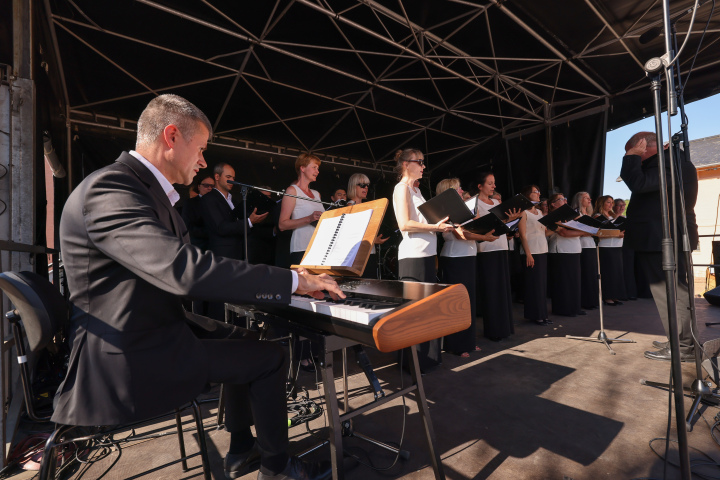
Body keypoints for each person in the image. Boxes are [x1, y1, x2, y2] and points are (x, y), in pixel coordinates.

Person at [53, 94, 340, 480]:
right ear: (172, 136)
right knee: (271, 359)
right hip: (129, 356)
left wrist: (281, 286)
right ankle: (279, 468)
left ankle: (241, 450)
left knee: (251, 340)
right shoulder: (111, 189)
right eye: (201, 149)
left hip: (152, 331)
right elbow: (182, 270)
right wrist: (296, 281)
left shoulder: (136, 189)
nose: (203, 161)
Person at [620, 132, 698, 362]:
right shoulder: (672, 160)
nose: (637, 159)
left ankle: (683, 347)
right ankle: (681, 341)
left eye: (635, 152)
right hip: (662, 235)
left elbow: (639, 183)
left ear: (643, 146)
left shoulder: (668, 161)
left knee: (671, 294)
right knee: (672, 292)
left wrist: (630, 158)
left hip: (661, 236)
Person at [392, 148, 453, 371]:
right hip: (413, 255)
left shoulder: (417, 191)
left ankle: (425, 360)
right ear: (406, 164)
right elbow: (404, 224)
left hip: (426, 254)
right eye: (420, 162)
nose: (424, 166)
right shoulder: (401, 189)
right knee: (414, 311)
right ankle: (412, 363)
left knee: (425, 309)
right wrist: (435, 227)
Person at [435, 178, 498, 356]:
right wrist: (485, 238)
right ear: (449, 191)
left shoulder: (464, 208)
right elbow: (462, 234)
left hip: (468, 257)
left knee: (468, 302)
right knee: (457, 303)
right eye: (458, 188)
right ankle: (456, 345)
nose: (462, 191)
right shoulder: (447, 209)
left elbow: (473, 228)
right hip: (455, 259)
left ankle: (467, 342)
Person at [474, 172, 522, 341]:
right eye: (490, 183)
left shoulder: (496, 202)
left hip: (501, 247)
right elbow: (477, 228)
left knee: (503, 289)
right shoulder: (474, 203)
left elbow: (505, 227)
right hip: (486, 249)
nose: (494, 186)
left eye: (494, 183)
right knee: (492, 291)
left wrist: (511, 220)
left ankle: (505, 327)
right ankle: (494, 330)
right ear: (480, 186)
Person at [203, 163, 269, 260]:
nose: (232, 181)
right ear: (217, 176)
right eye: (228, 177)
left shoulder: (233, 201)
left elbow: (240, 223)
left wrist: (255, 216)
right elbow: (221, 227)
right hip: (221, 256)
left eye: (233, 178)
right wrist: (249, 222)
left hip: (238, 254)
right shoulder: (209, 199)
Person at [278, 153, 325, 266]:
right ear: (302, 168)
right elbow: (282, 225)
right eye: (314, 167)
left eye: (318, 168)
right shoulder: (292, 191)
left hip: (320, 248)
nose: (317, 171)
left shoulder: (316, 194)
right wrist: (309, 218)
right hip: (302, 248)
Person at [547, 193, 589, 317]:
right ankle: (563, 309)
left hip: (574, 249)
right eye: (561, 199)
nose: (565, 200)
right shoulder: (553, 216)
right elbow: (563, 233)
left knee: (574, 280)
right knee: (563, 282)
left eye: (565, 198)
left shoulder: (571, 215)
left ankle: (575, 307)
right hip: (561, 250)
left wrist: (583, 229)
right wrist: (584, 232)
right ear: (553, 204)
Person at [518, 185, 551, 325]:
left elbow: (544, 233)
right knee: (534, 285)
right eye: (535, 192)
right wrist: (528, 254)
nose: (538, 194)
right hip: (531, 251)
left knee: (542, 284)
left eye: (539, 191)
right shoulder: (523, 212)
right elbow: (522, 235)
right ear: (527, 195)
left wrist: (557, 228)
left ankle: (543, 314)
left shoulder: (539, 212)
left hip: (542, 250)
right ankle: (535, 315)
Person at [346, 173, 388, 279]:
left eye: (367, 185)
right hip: (355, 256)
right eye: (362, 185)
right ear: (353, 186)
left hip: (370, 252)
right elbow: (351, 235)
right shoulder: (350, 207)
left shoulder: (367, 207)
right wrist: (374, 241)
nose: (366, 188)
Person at [592, 195, 626, 306]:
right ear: (602, 203)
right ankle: (607, 297)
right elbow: (599, 233)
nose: (611, 204)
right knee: (608, 273)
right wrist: (618, 234)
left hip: (617, 246)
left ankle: (615, 295)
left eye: (612, 202)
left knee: (616, 272)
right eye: (608, 202)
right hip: (605, 247)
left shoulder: (612, 216)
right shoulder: (598, 216)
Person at [570, 191, 599, 310]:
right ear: (579, 199)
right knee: (585, 274)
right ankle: (585, 301)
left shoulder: (589, 214)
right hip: (581, 246)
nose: (589, 200)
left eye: (589, 197)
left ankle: (592, 300)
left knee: (592, 274)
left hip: (591, 245)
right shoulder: (575, 213)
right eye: (586, 198)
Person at [182, 174, 214, 251]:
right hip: (198, 247)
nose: (209, 188)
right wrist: (212, 232)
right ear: (199, 187)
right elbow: (187, 226)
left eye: (212, 186)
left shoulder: (218, 203)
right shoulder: (190, 203)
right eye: (206, 185)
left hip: (217, 248)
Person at [614, 198, 637, 301]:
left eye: (623, 205)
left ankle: (629, 292)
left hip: (627, 245)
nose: (622, 207)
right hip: (615, 246)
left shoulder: (625, 218)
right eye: (619, 205)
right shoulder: (611, 218)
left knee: (628, 269)